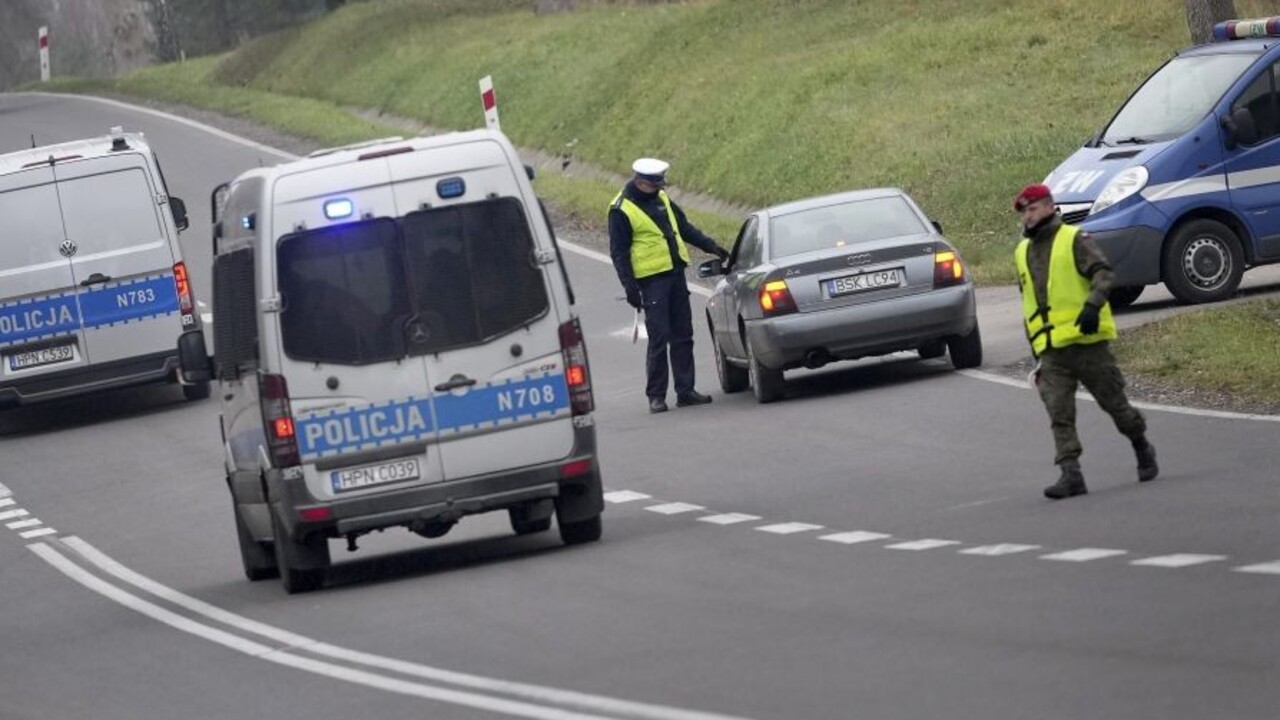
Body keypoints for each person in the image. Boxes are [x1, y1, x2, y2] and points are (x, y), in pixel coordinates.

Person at [1012, 183, 1158, 499]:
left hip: (1087, 342)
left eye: (1032, 209)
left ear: (1049, 206)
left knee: (1115, 405)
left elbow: (1103, 273)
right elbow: (1029, 302)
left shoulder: (1074, 239)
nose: (1027, 216)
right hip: (1052, 350)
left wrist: (1093, 304)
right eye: (1024, 212)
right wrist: (1035, 350)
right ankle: (1071, 474)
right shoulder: (1022, 252)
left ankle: (1141, 445)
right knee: (1058, 412)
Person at [609, 158, 729, 413]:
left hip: (675, 275)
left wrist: (711, 246)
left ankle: (685, 391)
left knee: (683, 334)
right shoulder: (621, 209)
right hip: (652, 282)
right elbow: (619, 254)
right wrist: (630, 288)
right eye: (655, 185)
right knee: (659, 338)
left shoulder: (661, 197)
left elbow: (683, 227)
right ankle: (656, 396)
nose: (659, 189)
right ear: (641, 182)